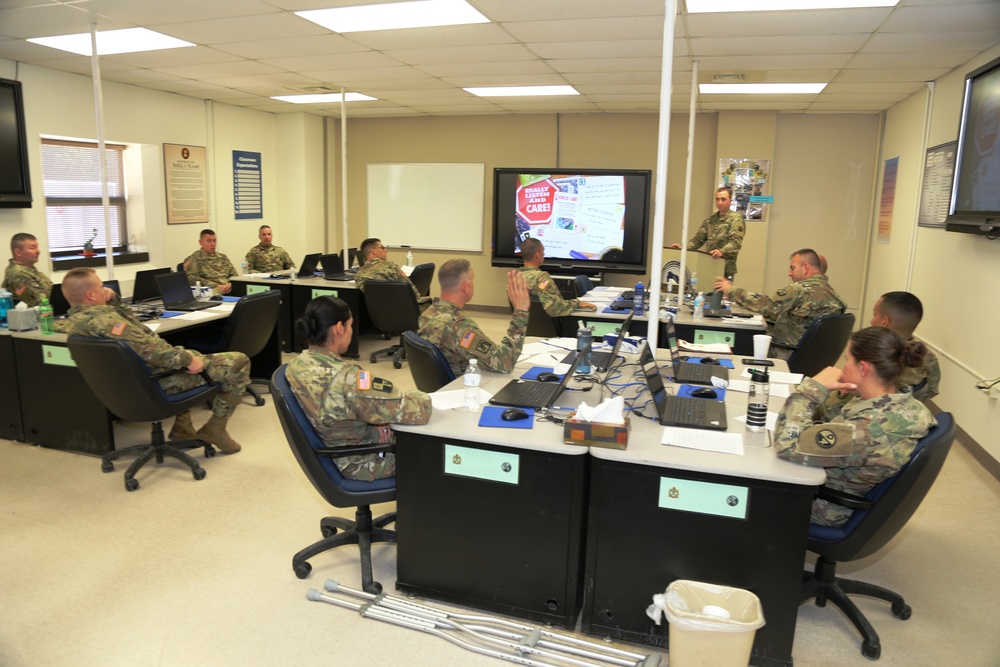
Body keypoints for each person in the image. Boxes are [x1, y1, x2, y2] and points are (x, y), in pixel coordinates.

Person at [60, 267, 250, 453]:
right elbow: (154, 351)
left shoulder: (74, 323)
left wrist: (113, 300)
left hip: (126, 387)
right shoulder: (108, 321)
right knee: (239, 361)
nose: (105, 290)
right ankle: (215, 428)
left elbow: (130, 324)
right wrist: (188, 360)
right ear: (91, 296)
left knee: (189, 352)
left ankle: (182, 429)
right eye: (101, 287)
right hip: (157, 383)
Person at [774, 326, 936, 527]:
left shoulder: (865, 430)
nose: (842, 367)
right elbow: (833, 421)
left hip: (823, 504)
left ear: (863, 368)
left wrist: (811, 389)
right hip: (835, 478)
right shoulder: (902, 403)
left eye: (847, 359)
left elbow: (787, 445)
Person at [286, 295, 431, 481]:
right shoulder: (348, 379)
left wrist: (375, 421)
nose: (351, 331)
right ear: (339, 328)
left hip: (334, 451)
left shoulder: (295, 365)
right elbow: (418, 411)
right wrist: (422, 397)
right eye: (350, 325)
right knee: (437, 455)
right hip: (360, 460)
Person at [713, 248, 845, 359]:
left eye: (792, 268)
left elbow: (765, 305)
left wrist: (731, 290)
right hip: (810, 356)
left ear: (805, 268)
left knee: (736, 342)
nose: (789, 273)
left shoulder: (799, 290)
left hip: (783, 352)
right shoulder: (834, 295)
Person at [418, 258, 530, 375]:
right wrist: (520, 313)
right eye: (473, 280)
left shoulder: (428, 313)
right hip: (462, 387)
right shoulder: (458, 326)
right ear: (466, 287)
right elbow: (503, 363)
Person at [871, 291, 940, 401]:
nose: (871, 321)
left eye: (874, 315)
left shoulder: (870, 354)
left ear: (884, 321)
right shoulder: (928, 358)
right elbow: (931, 391)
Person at [670, 187, 745, 280]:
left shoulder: (736, 219)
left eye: (723, 199)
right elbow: (698, 239)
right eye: (717, 199)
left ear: (730, 201)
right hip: (709, 265)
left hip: (725, 268)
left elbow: (735, 243)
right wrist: (684, 248)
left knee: (719, 295)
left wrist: (721, 251)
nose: (720, 202)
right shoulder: (711, 219)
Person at [518, 238, 595, 316]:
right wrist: (577, 303)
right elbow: (554, 308)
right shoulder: (541, 277)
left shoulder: (515, 278)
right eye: (543, 252)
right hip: (552, 324)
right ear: (537, 255)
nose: (543, 255)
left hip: (529, 324)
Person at [353, 237, 422, 300]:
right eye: (382, 248)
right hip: (405, 308)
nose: (386, 251)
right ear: (373, 251)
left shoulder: (359, 275)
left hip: (378, 312)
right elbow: (412, 290)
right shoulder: (390, 266)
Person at [3, 233, 53, 307]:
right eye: (32, 248)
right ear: (18, 252)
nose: (38, 251)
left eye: (37, 247)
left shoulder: (29, 270)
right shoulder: (18, 275)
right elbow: (40, 303)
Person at [183, 229, 238, 296]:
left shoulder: (222, 257)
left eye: (214, 241)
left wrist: (230, 284)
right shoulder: (194, 259)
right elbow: (191, 279)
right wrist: (216, 286)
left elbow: (234, 275)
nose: (213, 244)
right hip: (210, 292)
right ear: (200, 242)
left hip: (229, 290)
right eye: (209, 241)